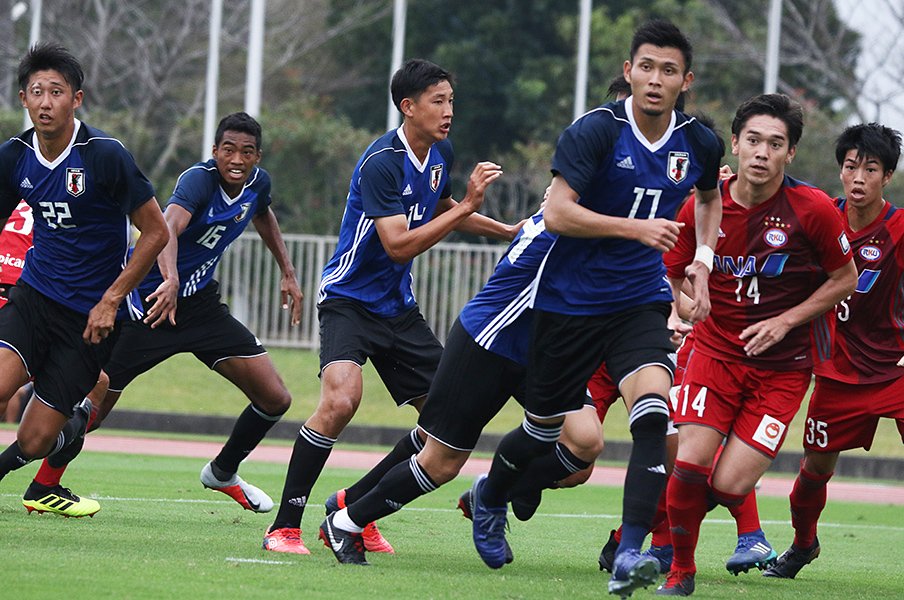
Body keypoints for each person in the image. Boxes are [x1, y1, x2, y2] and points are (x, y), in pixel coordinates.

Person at [467, 20, 724, 599]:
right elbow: (558, 212)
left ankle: (630, 554)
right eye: (646, 67)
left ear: (686, 81)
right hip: (568, 303)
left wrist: (702, 261)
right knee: (545, 432)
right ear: (629, 70)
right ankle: (490, 493)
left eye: (669, 71)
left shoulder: (700, 143)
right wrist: (636, 229)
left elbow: (709, 200)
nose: (656, 80)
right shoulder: (594, 132)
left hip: (639, 301)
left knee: (656, 417)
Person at [263, 58, 520, 555]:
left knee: (444, 420)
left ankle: (351, 507)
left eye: (450, 101)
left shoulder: (439, 153)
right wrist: (468, 207)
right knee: (340, 401)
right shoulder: (382, 160)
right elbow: (399, 244)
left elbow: (440, 210)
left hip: (398, 309)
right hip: (348, 301)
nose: (448, 111)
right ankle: (285, 525)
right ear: (408, 107)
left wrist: (504, 231)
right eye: (437, 101)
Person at [25, 111, 304, 516]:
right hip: (150, 307)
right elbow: (167, 228)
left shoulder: (258, 184)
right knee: (93, 409)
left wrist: (288, 272)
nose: (236, 159)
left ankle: (223, 472)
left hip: (202, 309)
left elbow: (263, 213)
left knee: (275, 398)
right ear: (214, 151)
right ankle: (43, 485)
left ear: (258, 157)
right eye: (228, 150)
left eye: (246, 152)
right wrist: (169, 279)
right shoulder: (198, 181)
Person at [658, 93, 858, 596]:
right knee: (688, 462)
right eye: (753, 141)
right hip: (714, 352)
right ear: (735, 144)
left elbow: (845, 278)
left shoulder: (811, 209)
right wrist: (686, 300)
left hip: (784, 369)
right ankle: (680, 570)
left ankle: (658, 531)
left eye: (775, 143)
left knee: (728, 486)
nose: (762, 153)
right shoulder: (704, 204)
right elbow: (670, 271)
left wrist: (786, 321)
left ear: (790, 154)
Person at [0, 44, 169, 507]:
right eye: (37, 92)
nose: (46, 101)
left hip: (92, 318)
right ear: (23, 99)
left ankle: (70, 425)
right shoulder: (13, 156)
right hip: (35, 296)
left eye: (57, 91)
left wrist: (111, 300)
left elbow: (156, 232)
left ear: (76, 99)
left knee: (33, 441)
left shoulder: (104, 155)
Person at [764, 123, 904, 580]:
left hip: (896, 373)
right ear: (840, 171)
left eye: (871, 168)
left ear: (888, 177)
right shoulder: (823, 219)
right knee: (811, 475)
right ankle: (804, 545)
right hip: (838, 373)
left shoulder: (900, 230)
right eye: (850, 167)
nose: (858, 177)